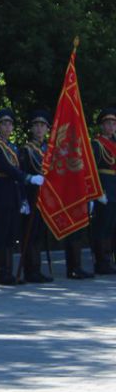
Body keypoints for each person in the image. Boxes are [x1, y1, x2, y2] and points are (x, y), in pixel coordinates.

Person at [0, 108, 41, 285]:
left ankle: (10, 272)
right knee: (1, 235)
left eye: (9, 124)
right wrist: (28, 178)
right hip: (1, 193)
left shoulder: (13, 147)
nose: (7, 127)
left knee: (11, 235)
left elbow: (18, 171)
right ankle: (1, 273)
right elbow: (7, 168)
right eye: (3, 124)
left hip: (13, 193)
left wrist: (24, 198)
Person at [19, 110, 54, 283]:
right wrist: (23, 198)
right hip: (32, 194)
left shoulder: (49, 150)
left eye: (43, 126)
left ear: (47, 129)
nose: (39, 129)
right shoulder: (26, 150)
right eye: (36, 125)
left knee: (40, 233)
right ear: (32, 129)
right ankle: (30, 270)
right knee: (30, 233)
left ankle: (37, 269)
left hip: (46, 196)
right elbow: (22, 174)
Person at [91, 108, 116, 275]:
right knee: (102, 226)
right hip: (104, 188)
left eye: (114, 123)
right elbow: (92, 169)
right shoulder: (96, 144)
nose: (111, 126)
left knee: (112, 226)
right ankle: (101, 261)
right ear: (102, 125)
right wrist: (97, 191)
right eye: (108, 123)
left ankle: (110, 259)